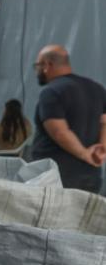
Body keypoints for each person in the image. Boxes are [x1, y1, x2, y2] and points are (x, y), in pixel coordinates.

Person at [30, 44, 106, 193]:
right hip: (90, 176)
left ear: (47, 65)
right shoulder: (97, 88)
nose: (37, 70)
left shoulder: (51, 92)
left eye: (37, 66)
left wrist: (85, 154)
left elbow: (60, 132)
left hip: (56, 177)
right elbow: (104, 122)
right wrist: (101, 150)